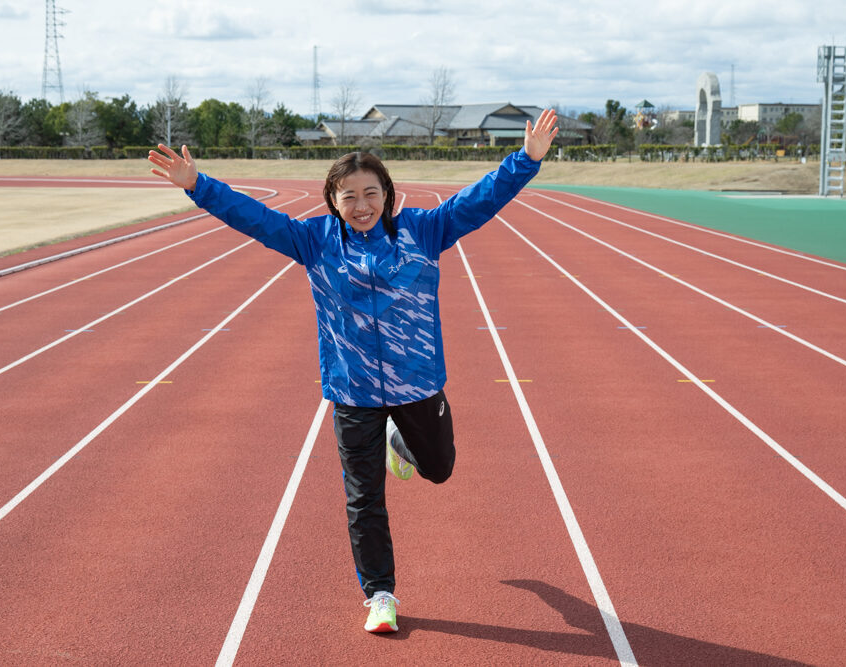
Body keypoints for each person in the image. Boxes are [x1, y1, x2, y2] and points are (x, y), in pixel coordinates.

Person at [148, 108, 558, 633]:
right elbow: (255, 218)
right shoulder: (315, 242)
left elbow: (480, 200)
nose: (360, 206)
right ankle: (380, 595)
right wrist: (198, 187)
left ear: (388, 195)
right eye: (348, 196)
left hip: (418, 383)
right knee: (363, 497)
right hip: (353, 389)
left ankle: (403, 444)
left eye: (370, 194)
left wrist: (526, 160)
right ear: (333, 202)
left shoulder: (425, 230)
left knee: (440, 468)